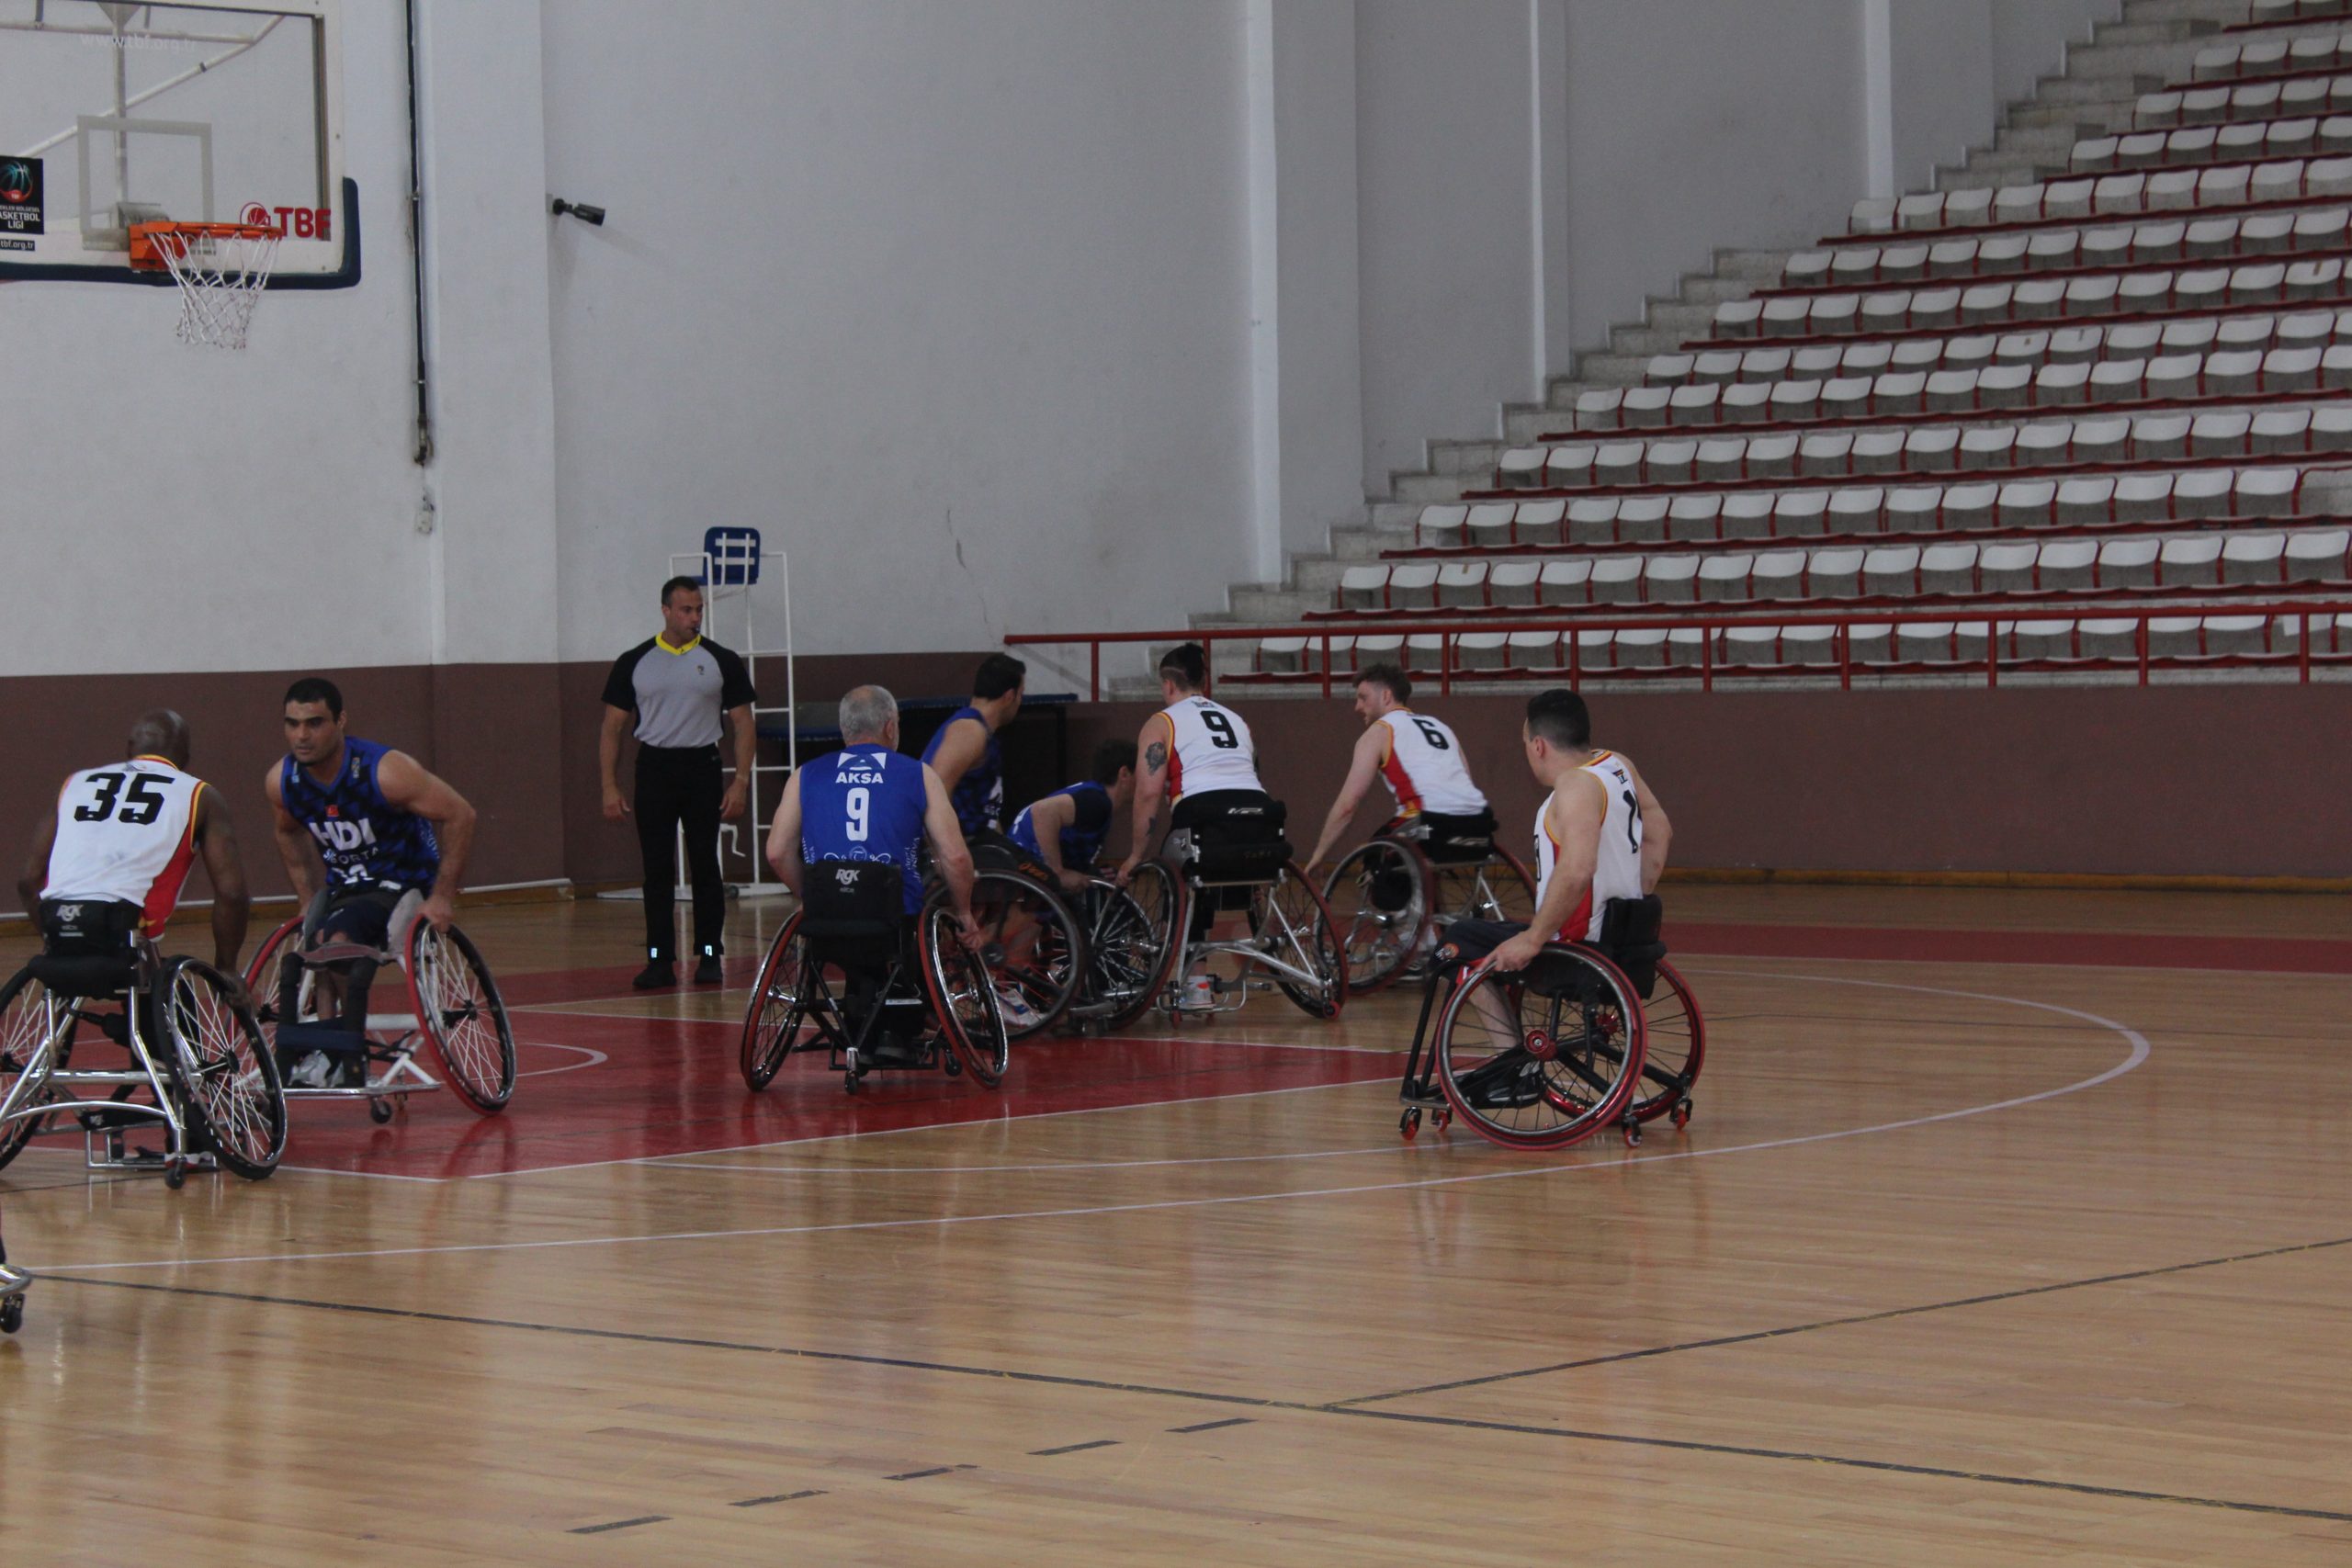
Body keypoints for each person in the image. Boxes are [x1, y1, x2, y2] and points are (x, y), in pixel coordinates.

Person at [12, 709, 255, 1313]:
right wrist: (228, 969)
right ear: (185, 755)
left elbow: (26, 878)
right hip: (126, 938)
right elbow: (232, 890)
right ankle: (192, 1121)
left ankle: (40, 1087)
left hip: (62, 940)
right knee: (162, 977)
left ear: (127, 748)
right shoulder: (199, 794)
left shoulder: (77, 782)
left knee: (104, 973)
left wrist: (49, 936)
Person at [265, 678, 477, 1088]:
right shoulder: (283, 780)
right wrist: (306, 896)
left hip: (401, 883)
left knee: (336, 940)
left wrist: (443, 897)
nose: (302, 736)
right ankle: (330, 1050)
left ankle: (343, 1051)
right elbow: (286, 832)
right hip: (344, 888)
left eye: (314, 723)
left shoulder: (386, 771)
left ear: (341, 721)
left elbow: (461, 814)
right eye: (292, 724)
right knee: (313, 951)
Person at [1441, 688, 1671, 976]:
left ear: (1538, 746)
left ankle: (1502, 1024)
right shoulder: (1618, 764)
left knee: (1456, 942)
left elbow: (1577, 870)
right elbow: (1659, 830)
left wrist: (1533, 939)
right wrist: (1636, 898)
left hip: (1578, 946)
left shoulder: (1575, 786)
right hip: (1623, 937)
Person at [600, 577, 758, 988]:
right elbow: (612, 727)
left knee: (706, 865)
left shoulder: (721, 659)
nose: (694, 617)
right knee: (657, 870)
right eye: (686, 610)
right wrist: (608, 785)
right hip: (654, 768)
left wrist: (740, 781)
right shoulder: (635, 660)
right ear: (666, 611)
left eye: (699, 609)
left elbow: (743, 724)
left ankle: (709, 955)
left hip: (702, 765)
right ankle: (658, 959)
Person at [764, 684, 978, 942]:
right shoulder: (919, 774)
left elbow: (777, 853)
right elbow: (955, 856)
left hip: (826, 912)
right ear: (890, 727)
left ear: (845, 729)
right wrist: (964, 912)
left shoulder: (804, 775)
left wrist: (809, 895)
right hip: (894, 916)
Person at [1300, 663, 1493, 875]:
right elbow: (1466, 779)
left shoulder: (1379, 732)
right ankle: (1426, 902)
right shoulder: (1441, 726)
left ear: (1386, 696)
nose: (1357, 706)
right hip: (1480, 823)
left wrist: (1319, 855)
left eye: (1363, 698)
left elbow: (1348, 805)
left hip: (1430, 822)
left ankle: (1397, 908)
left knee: (1374, 855)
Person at [1114, 643, 1274, 887]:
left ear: (1168, 684)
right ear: (1204, 683)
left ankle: (1179, 921)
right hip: (1260, 816)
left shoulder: (1161, 722)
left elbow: (1148, 793)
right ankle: (1254, 894)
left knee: (1172, 866)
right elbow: (1255, 773)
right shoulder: (1237, 720)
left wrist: (1136, 855)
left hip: (1203, 816)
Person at [920, 653, 1026, 861]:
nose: (1021, 702)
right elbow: (935, 790)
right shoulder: (970, 731)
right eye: (1021, 694)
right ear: (1009, 696)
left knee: (1026, 864)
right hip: (963, 843)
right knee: (1049, 880)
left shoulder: (979, 731)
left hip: (979, 839)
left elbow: (989, 812)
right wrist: (942, 854)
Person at [1008, 739, 1136, 895]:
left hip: (1025, 855)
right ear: (1124, 774)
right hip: (1024, 861)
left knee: (1100, 879)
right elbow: (1042, 810)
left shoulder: (1093, 795)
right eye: (1143, 774)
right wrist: (1057, 871)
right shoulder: (1096, 802)